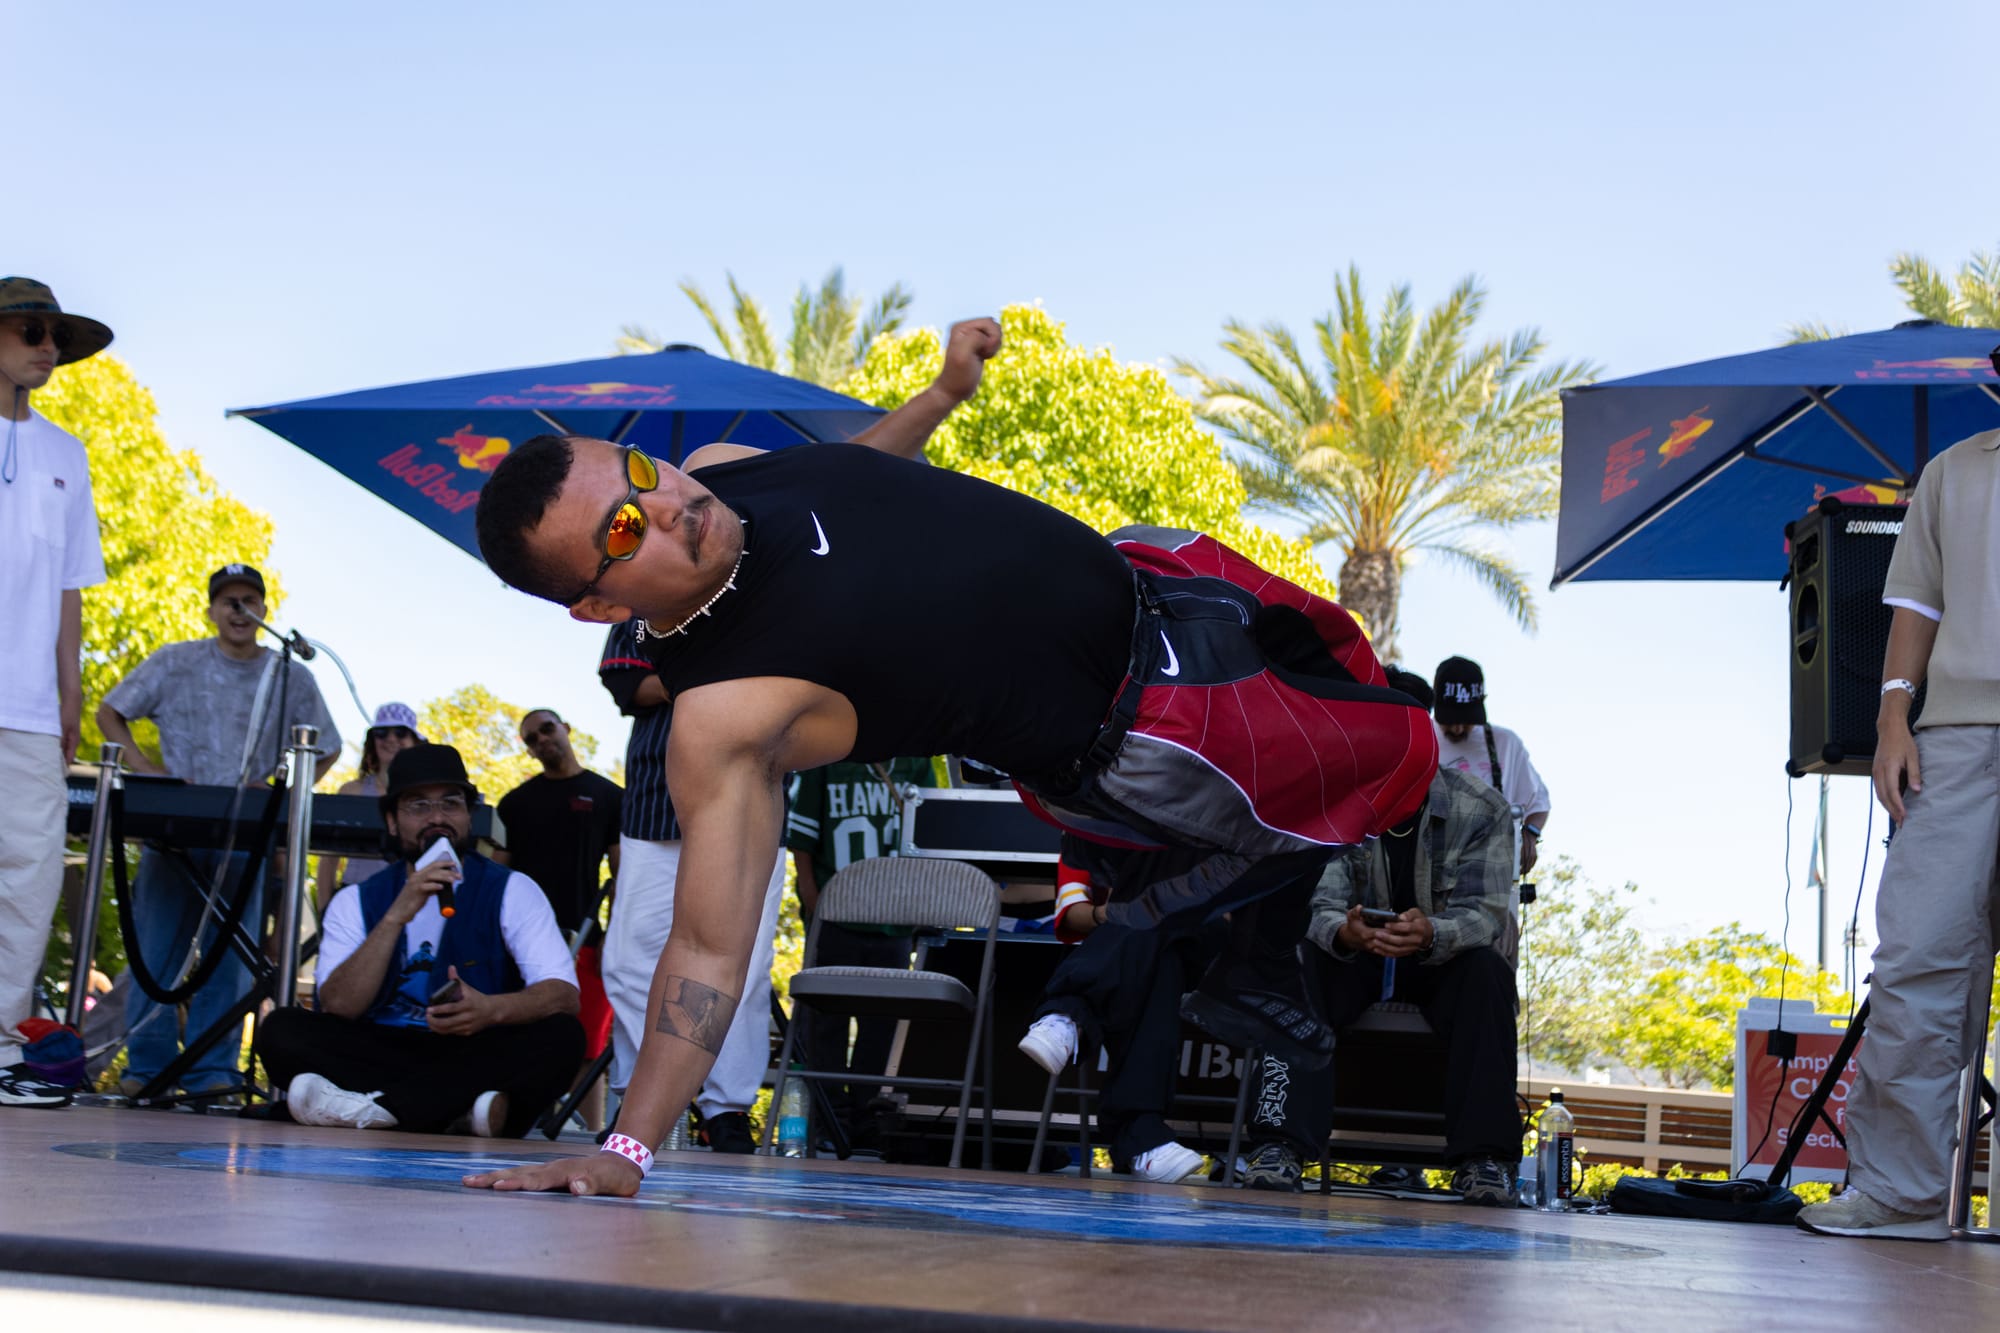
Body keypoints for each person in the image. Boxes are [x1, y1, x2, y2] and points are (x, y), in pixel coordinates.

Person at [464, 317, 1435, 1196]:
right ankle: (1237, 964)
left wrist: (939, 397)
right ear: (597, 604)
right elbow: (708, 946)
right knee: (1402, 764)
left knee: (1364, 669)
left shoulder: (720, 466)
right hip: (1159, 725)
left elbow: (852, 476)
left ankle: (1237, 955)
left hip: (1161, 581)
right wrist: (626, 1147)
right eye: (626, 527)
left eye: (640, 470)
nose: (668, 501)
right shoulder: (727, 713)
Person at [1797, 417, 2000, 1241]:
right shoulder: (1953, 471)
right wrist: (1891, 718)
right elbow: (1914, 602)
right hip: (1954, 737)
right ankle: (1903, 1194)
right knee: (1918, 956)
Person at [1237, 670, 1522, 1202]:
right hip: (1358, 951)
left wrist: (1430, 932)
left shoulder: (1482, 807)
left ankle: (1484, 1159)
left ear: (1424, 735)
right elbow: (1320, 901)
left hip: (1443, 956)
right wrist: (1343, 934)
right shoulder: (1339, 796)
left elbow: (1485, 915)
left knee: (1487, 973)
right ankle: (1279, 1145)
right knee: (1299, 962)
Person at [96, 564, 342, 1098]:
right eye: (227, 599)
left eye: (248, 599)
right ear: (211, 609)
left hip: (247, 838)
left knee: (230, 960)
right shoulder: (175, 660)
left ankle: (212, 1073)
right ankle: (149, 1069)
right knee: (156, 950)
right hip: (172, 829)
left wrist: (280, 790)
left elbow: (329, 746)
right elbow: (110, 711)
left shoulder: (289, 677)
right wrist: (144, 767)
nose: (238, 608)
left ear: (263, 611)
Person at [255, 744, 583, 1137]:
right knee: (281, 1029)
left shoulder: (514, 890)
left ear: (469, 815)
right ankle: (452, 1113)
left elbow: (563, 995)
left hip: (473, 1049)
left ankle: (376, 1109)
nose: (438, 819)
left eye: (450, 804)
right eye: (418, 806)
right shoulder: (356, 900)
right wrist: (397, 914)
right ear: (392, 821)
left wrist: (490, 1010)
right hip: (385, 1050)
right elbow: (339, 1006)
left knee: (563, 1037)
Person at [597, 621, 786, 1153]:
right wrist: (730, 675)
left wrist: (691, 677)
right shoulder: (641, 599)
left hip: (751, 803)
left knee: (745, 970)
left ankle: (726, 1109)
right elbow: (628, 683)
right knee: (629, 963)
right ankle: (645, 1102)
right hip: (657, 801)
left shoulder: (772, 591)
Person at [0, 278, 112, 1109]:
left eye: (57, 336)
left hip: (33, 708)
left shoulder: (67, 454)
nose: (49, 347)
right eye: (33, 330)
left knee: (29, 878)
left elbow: (73, 590)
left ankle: (4, 1043)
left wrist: (72, 695)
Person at [1018, 837, 1221, 1183]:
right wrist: (1115, 914)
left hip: (1210, 947)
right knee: (1159, 966)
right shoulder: (1088, 832)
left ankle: (1067, 1014)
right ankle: (1145, 1142)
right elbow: (1071, 916)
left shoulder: (1208, 825)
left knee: (1149, 923)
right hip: (1148, 961)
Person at [785, 756, 938, 1147]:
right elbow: (801, 841)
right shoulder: (827, 759)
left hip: (894, 919)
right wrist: (812, 898)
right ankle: (827, 1120)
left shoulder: (916, 763)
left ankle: (868, 1120)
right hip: (835, 914)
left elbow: (930, 838)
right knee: (823, 1024)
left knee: (883, 1025)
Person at [495, 708, 621, 1129]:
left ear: (566, 729)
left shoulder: (609, 796)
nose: (542, 740)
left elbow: (622, 874)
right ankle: (521, 1123)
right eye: (531, 738)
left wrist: (613, 937)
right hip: (521, 945)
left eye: (547, 729)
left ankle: (588, 1135)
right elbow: (499, 876)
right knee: (521, 1037)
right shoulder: (515, 804)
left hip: (586, 939)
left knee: (589, 1044)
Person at [1431, 656, 1551, 876]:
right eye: (1449, 719)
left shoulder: (1505, 743)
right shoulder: (1420, 737)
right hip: (1428, 874)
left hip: (1488, 881)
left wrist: (1530, 836)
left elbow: (1539, 803)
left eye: (1466, 720)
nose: (1457, 729)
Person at [314, 703, 423, 901]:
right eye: (381, 732)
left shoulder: (425, 794)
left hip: (409, 899)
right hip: (356, 896)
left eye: (400, 732)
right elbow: (329, 859)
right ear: (372, 741)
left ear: (415, 742)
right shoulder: (351, 792)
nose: (391, 739)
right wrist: (324, 912)